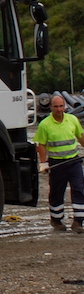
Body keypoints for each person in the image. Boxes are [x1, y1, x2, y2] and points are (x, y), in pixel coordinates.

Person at [33, 94, 84, 232]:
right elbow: (41, 145)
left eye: (61, 106)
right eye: (56, 106)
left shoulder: (72, 120)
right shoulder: (45, 125)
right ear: (50, 107)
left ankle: (78, 222)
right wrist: (43, 163)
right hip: (57, 164)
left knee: (79, 189)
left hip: (74, 161)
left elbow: (80, 136)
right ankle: (56, 220)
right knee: (57, 192)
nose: (59, 109)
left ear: (65, 106)